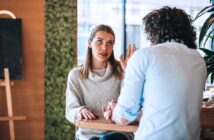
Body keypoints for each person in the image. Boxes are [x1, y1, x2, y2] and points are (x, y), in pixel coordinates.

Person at [102, 6, 207, 140]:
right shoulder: (198, 59)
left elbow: (123, 118)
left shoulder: (144, 56)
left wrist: (115, 110)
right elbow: (165, 113)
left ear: (154, 32)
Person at [65, 24, 135, 140]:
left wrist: (129, 73)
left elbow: (131, 104)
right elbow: (70, 111)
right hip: (88, 136)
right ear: (89, 43)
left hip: (119, 134)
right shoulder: (76, 75)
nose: (104, 47)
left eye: (109, 43)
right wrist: (80, 110)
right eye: (99, 41)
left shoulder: (121, 71)